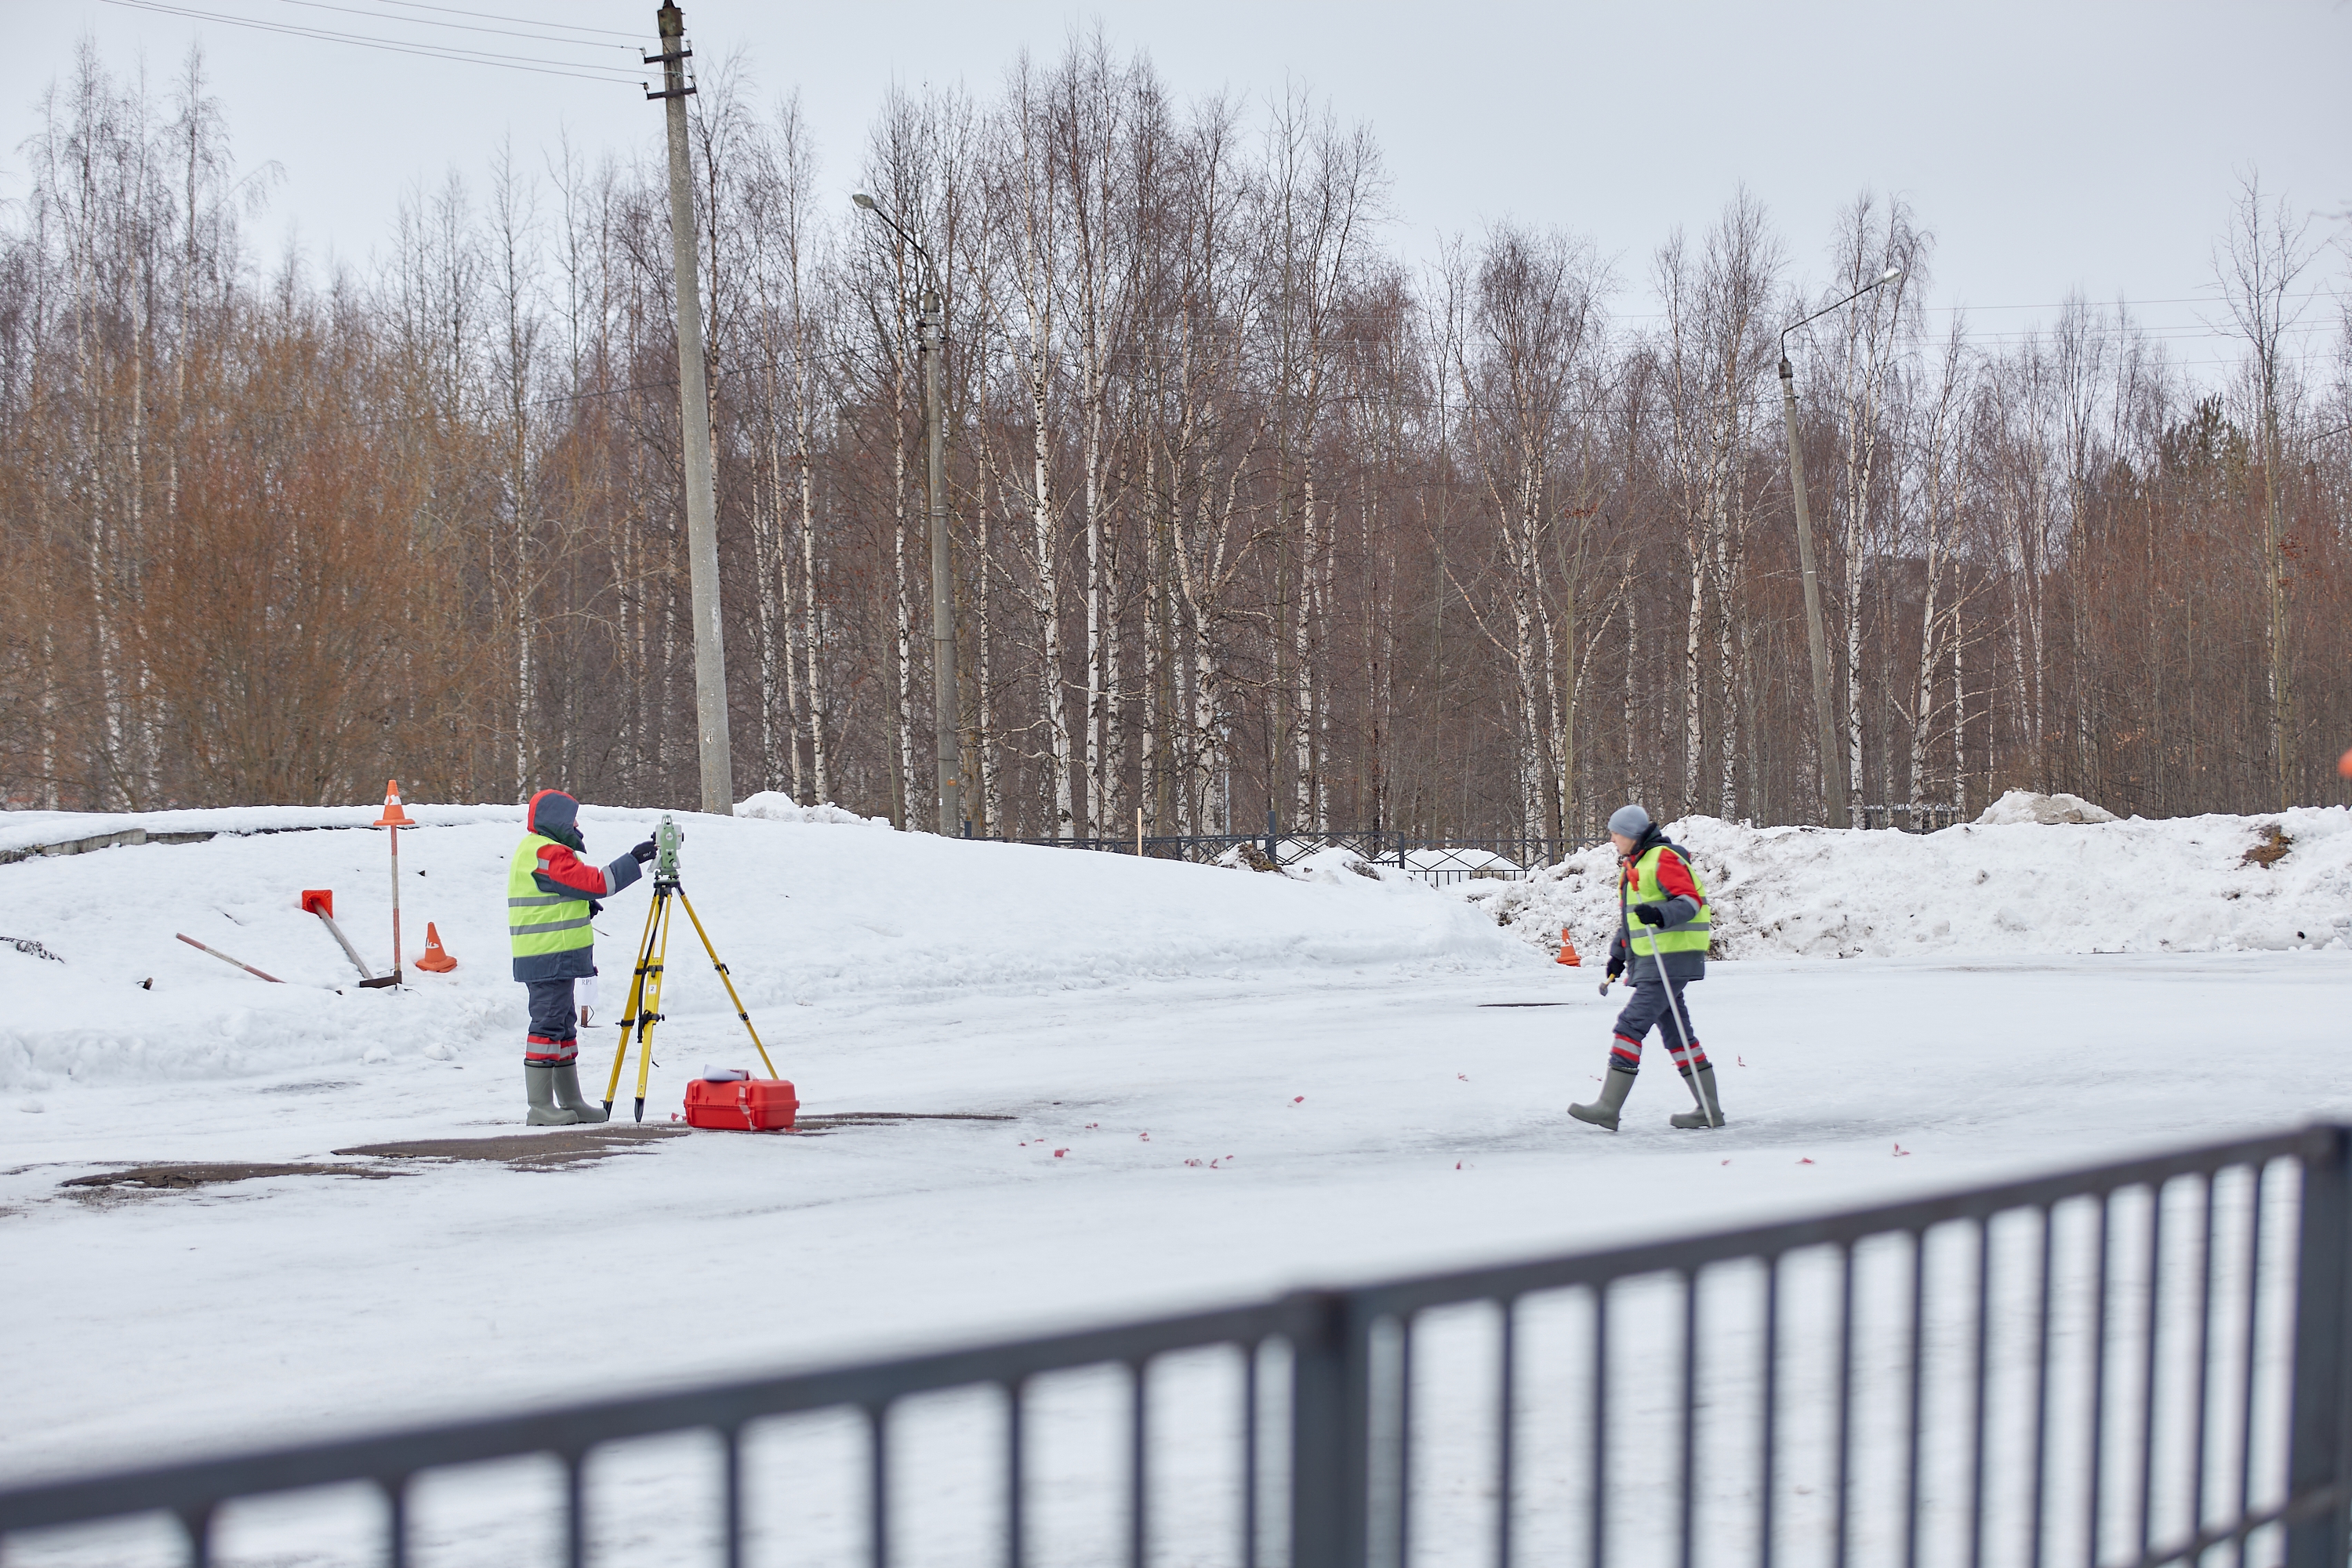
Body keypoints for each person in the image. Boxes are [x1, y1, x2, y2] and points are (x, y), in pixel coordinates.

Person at [1568, 804, 1726, 1132]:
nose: (1611, 839)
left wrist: (1660, 914)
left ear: (1630, 834)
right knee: (1677, 1034)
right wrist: (1618, 956)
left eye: (1615, 833)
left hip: (1671, 958)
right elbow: (1631, 921)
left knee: (1631, 1024)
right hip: (1656, 960)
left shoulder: (1663, 858)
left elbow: (1689, 900)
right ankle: (1709, 1110)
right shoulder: (1634, 865)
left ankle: (1608, 1107)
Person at [509, 790, 655, 1126]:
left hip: (556, 955)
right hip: (548, 956)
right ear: (556, 821)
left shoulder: (539, 851)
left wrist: (579, 905)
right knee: (547, 1026)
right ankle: (540, 1106)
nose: (576, 825)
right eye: (572, 818)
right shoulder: (547, 852)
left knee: (562, 1026)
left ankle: (571, 1101)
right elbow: (596, 882)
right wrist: (633, 859)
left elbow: (562, 892)